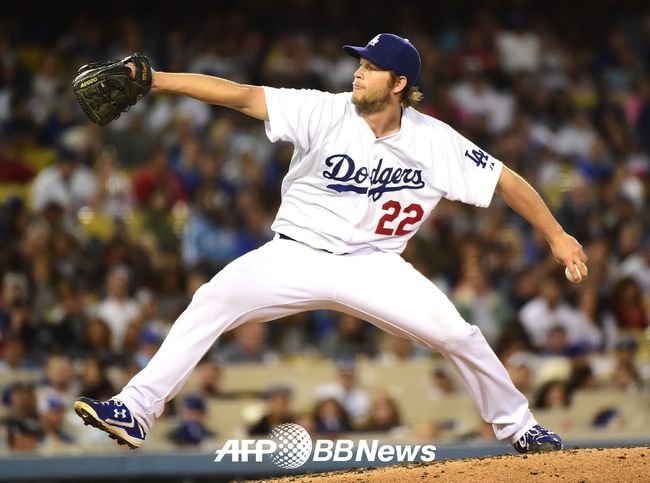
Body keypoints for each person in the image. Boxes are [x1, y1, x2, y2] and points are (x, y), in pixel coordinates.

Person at [74, 33, 588, 453]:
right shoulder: (323, 109)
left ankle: (521, 428)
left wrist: (558, 236)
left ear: (400, 84)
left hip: (374, 265)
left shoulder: (435, 139)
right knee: (212, 299)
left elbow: (507, 182)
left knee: (459, 335)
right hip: (295, 253)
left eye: (372, 67)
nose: (358, 72)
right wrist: (157, 80)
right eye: (359, 63)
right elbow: (241, 94)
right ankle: (135, 409)